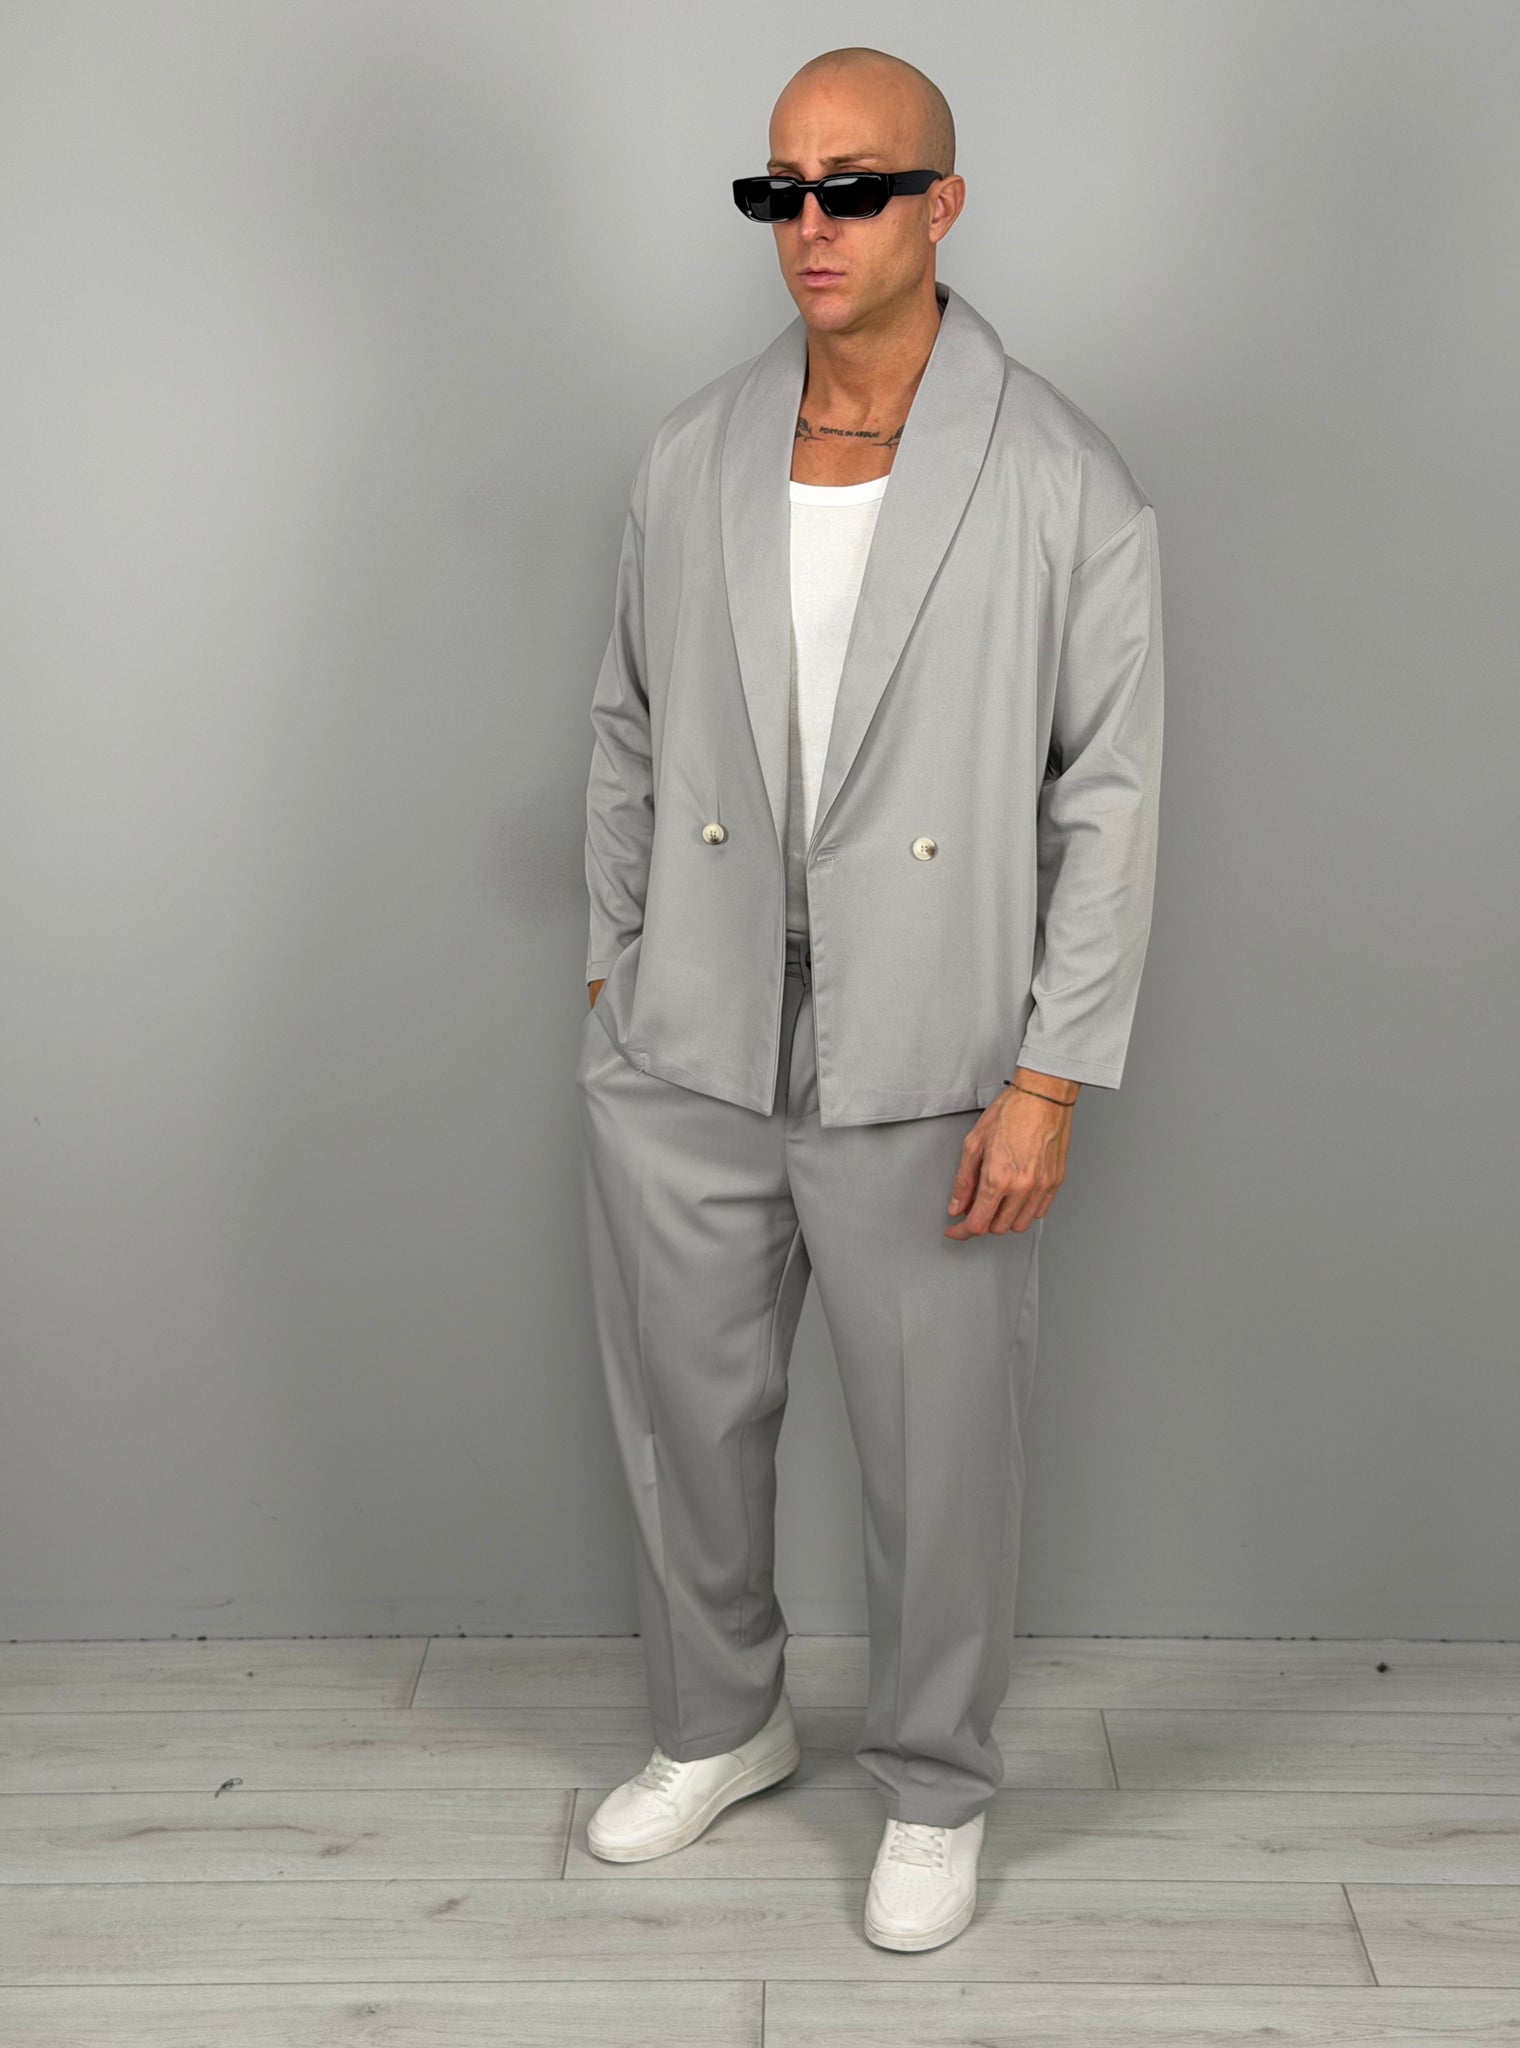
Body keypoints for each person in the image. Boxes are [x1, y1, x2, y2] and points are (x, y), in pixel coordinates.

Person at [575, 46, 1164, 1953]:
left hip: (934, 1045)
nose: (809, 225)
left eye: (853, 187)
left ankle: (935, 1783)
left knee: (940, 1454)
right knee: (683, 1414)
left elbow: (1110, 799)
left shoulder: (1063, 477)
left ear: (942, 205)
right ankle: (718, 1722)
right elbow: (624, 723)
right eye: (780, 190)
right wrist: (615, 960)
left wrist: (1050, 1076)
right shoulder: (694, 452)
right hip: (690, 1026)